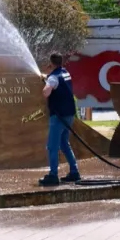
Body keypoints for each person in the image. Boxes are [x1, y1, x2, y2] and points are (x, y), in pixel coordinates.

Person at [39, 53, 80, 186]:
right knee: (64, 143)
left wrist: (46, 84)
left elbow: (46, 92)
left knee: (52, 146)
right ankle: (74, 172)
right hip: (69, 115)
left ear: (51, 63)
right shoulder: (65, 73)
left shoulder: (53, 78)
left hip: (58, 117)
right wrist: (47, 78)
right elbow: (57, 82)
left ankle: (53, 175)